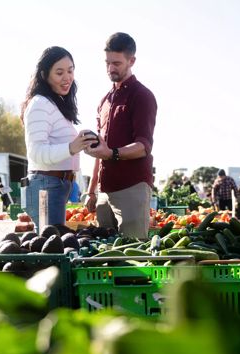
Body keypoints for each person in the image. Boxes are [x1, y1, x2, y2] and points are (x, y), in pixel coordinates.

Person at [84, 32, 157, 239]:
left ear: (131, 61)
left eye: (116, 63)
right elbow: (101, 150)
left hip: (131, 188)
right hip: (104, 192)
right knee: (103, 253)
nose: (110, 68)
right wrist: (91, 191)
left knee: (131, 254)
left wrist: (112, 153)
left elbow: (143, 145)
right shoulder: (104, 101)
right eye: (107, 63)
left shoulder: (142, 96)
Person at [20, 46, 96, 229]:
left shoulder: (54, 104)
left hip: (56, 185)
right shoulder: (39, 104)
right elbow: (37, 153)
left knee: (54, 242)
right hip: (46, 187)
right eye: (59, 72)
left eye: (70, 71)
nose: (67, 77)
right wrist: (72, 147)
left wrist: (82, 144)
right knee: (50, 245)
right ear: (45, 75)